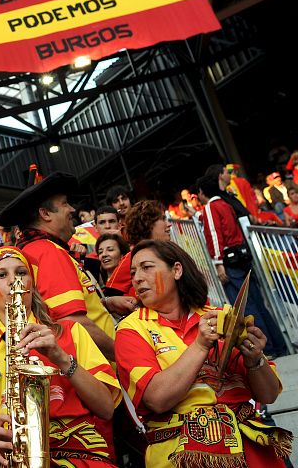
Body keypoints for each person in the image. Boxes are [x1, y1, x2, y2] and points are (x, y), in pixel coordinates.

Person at [115, 240, 292, 468]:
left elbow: (268, 395)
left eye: (147, 267)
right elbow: (157, 399)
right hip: (183, 454)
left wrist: (255, 358)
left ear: (177, 270)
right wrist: (200, 346)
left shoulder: (217, 316)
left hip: (250, 449)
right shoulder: (131, 329)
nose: (137, 278)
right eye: (133, 272)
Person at [0, 247, 120, 466]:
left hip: (78, 455)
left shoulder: (69, 331)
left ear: (32, 284)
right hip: (12, 457)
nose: (13, 281)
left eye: (20, 273)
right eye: (1, 275)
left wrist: (61, 357)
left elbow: (106, 408)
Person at [0, 172, 116, 361]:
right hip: (100, 369)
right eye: (65, 203)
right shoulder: (49, 252)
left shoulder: (32, 251)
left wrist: (106, 303)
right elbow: (72, 322)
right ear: (45, 213)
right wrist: (124, 356)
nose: (72, 209)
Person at [195, 175, 288, 357]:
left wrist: (218, 263)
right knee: (259, 303)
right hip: (243, 258)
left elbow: (214, 236)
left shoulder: (211, 207)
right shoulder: (226, 204)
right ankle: (278, 345)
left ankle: (265, 349)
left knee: (246, 308)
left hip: (230, 263)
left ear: (202, 192)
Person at [106, 199, 171, 300]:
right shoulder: (132, 258)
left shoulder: (168, 252)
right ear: (148, 224)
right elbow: (111, 294)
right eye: (163, 219)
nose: (169, 224)